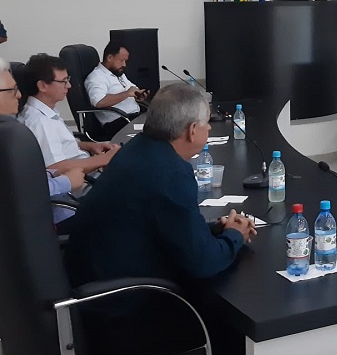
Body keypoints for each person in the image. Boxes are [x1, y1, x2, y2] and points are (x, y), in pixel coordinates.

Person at [64, 83, 257, 354]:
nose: (210, 129)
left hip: (95, 287)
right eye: (206, 124)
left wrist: (217, 228)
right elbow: (204, 262)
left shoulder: (137, 148)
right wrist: (235, 236)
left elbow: (159, 224)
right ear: (192, 130)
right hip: (128, 309)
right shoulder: (170, 172)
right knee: (229, 325)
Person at [0, 58, 86, 228]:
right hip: (51, 217)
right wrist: (66, 181)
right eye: (12, 90)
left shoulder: (10, 129)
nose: (19, 95)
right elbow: (19, 191)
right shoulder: (21, 129)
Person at [18, 54, 119, 173]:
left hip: (87, 170)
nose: (69, 86)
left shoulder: (46, 113)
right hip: (84, 181)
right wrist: (104, 159)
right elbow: (55, 167)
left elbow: (62, 146)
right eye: (63, 81)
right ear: (42, 86)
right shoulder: (40, 122)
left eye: (68, 80)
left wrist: (90, 146)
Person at [85, 41, 148, 137]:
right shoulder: (97, 77)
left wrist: (138, 95)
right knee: (156, 130)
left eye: (125, 61)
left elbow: (132, 90)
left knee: (162, 121)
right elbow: (99, 102)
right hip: (117, 123)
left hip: (132, 117)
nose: (124, 64)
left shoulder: (117, 73)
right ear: (110, 58)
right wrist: (127, 94)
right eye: (121, 60)